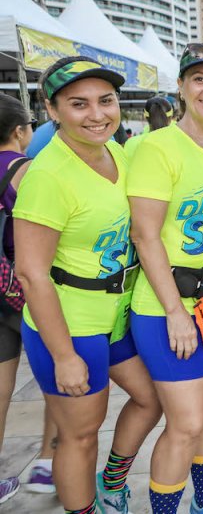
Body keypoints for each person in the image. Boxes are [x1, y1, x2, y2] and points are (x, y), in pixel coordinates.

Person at [13, 56, 162, 514]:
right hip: (70, 322)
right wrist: (63, 356)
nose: (97, 114)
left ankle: (112, 481)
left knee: (151, 399)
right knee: (79, 435)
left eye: (106, 101)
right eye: (79, 104)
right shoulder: (48, 175)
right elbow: (31, 273)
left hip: (113, 316)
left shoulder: (114, 151)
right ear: (52, 110)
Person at [127, 43, 203, 514]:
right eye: (199, 79)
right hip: (167, 304)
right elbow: (145, 235)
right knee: (186, 421)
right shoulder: (157, 146)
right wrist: (175, 311)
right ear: (180, 86)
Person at [0, 94, 59, 499]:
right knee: (57, 377)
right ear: (22, 131)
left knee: (2, 387)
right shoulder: (27, 170)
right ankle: (46, 462)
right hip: (30, 287)